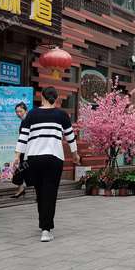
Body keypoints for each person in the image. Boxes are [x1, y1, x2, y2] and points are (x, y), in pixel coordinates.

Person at [14, 88, 80, 242]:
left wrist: (17, 156)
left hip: (34, 159)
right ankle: (46, 229)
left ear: (41, 97)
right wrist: (75, 155)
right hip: (54, 158)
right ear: (56, 99)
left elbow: (23, 137)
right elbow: (70, 137)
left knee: (40, 192)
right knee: (50, 193)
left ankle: (43, 225)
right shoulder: (62, 115)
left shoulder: (31, 114)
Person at [11, 102, 28, 198]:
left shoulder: (28, 121)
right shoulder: (23, 121)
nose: (18, 113)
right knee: (20, 169)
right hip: (23, 150)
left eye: (20, 111)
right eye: (17, 112)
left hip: (29, 151)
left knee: (22, 169)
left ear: (26, 110)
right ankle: (21, 188)